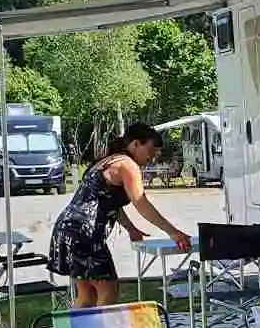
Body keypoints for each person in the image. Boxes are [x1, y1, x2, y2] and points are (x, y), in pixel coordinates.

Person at [48, 123, 190, 309]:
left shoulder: (108, 160)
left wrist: (130, 228)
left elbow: (109, 201)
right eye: (152, 150)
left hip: (68, 228)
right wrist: (173, 232)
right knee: (108, 290)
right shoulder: (127, 165)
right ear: (136, 144)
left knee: (87, 294)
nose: (154, 157)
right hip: (86, 233)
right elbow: (141, 202)